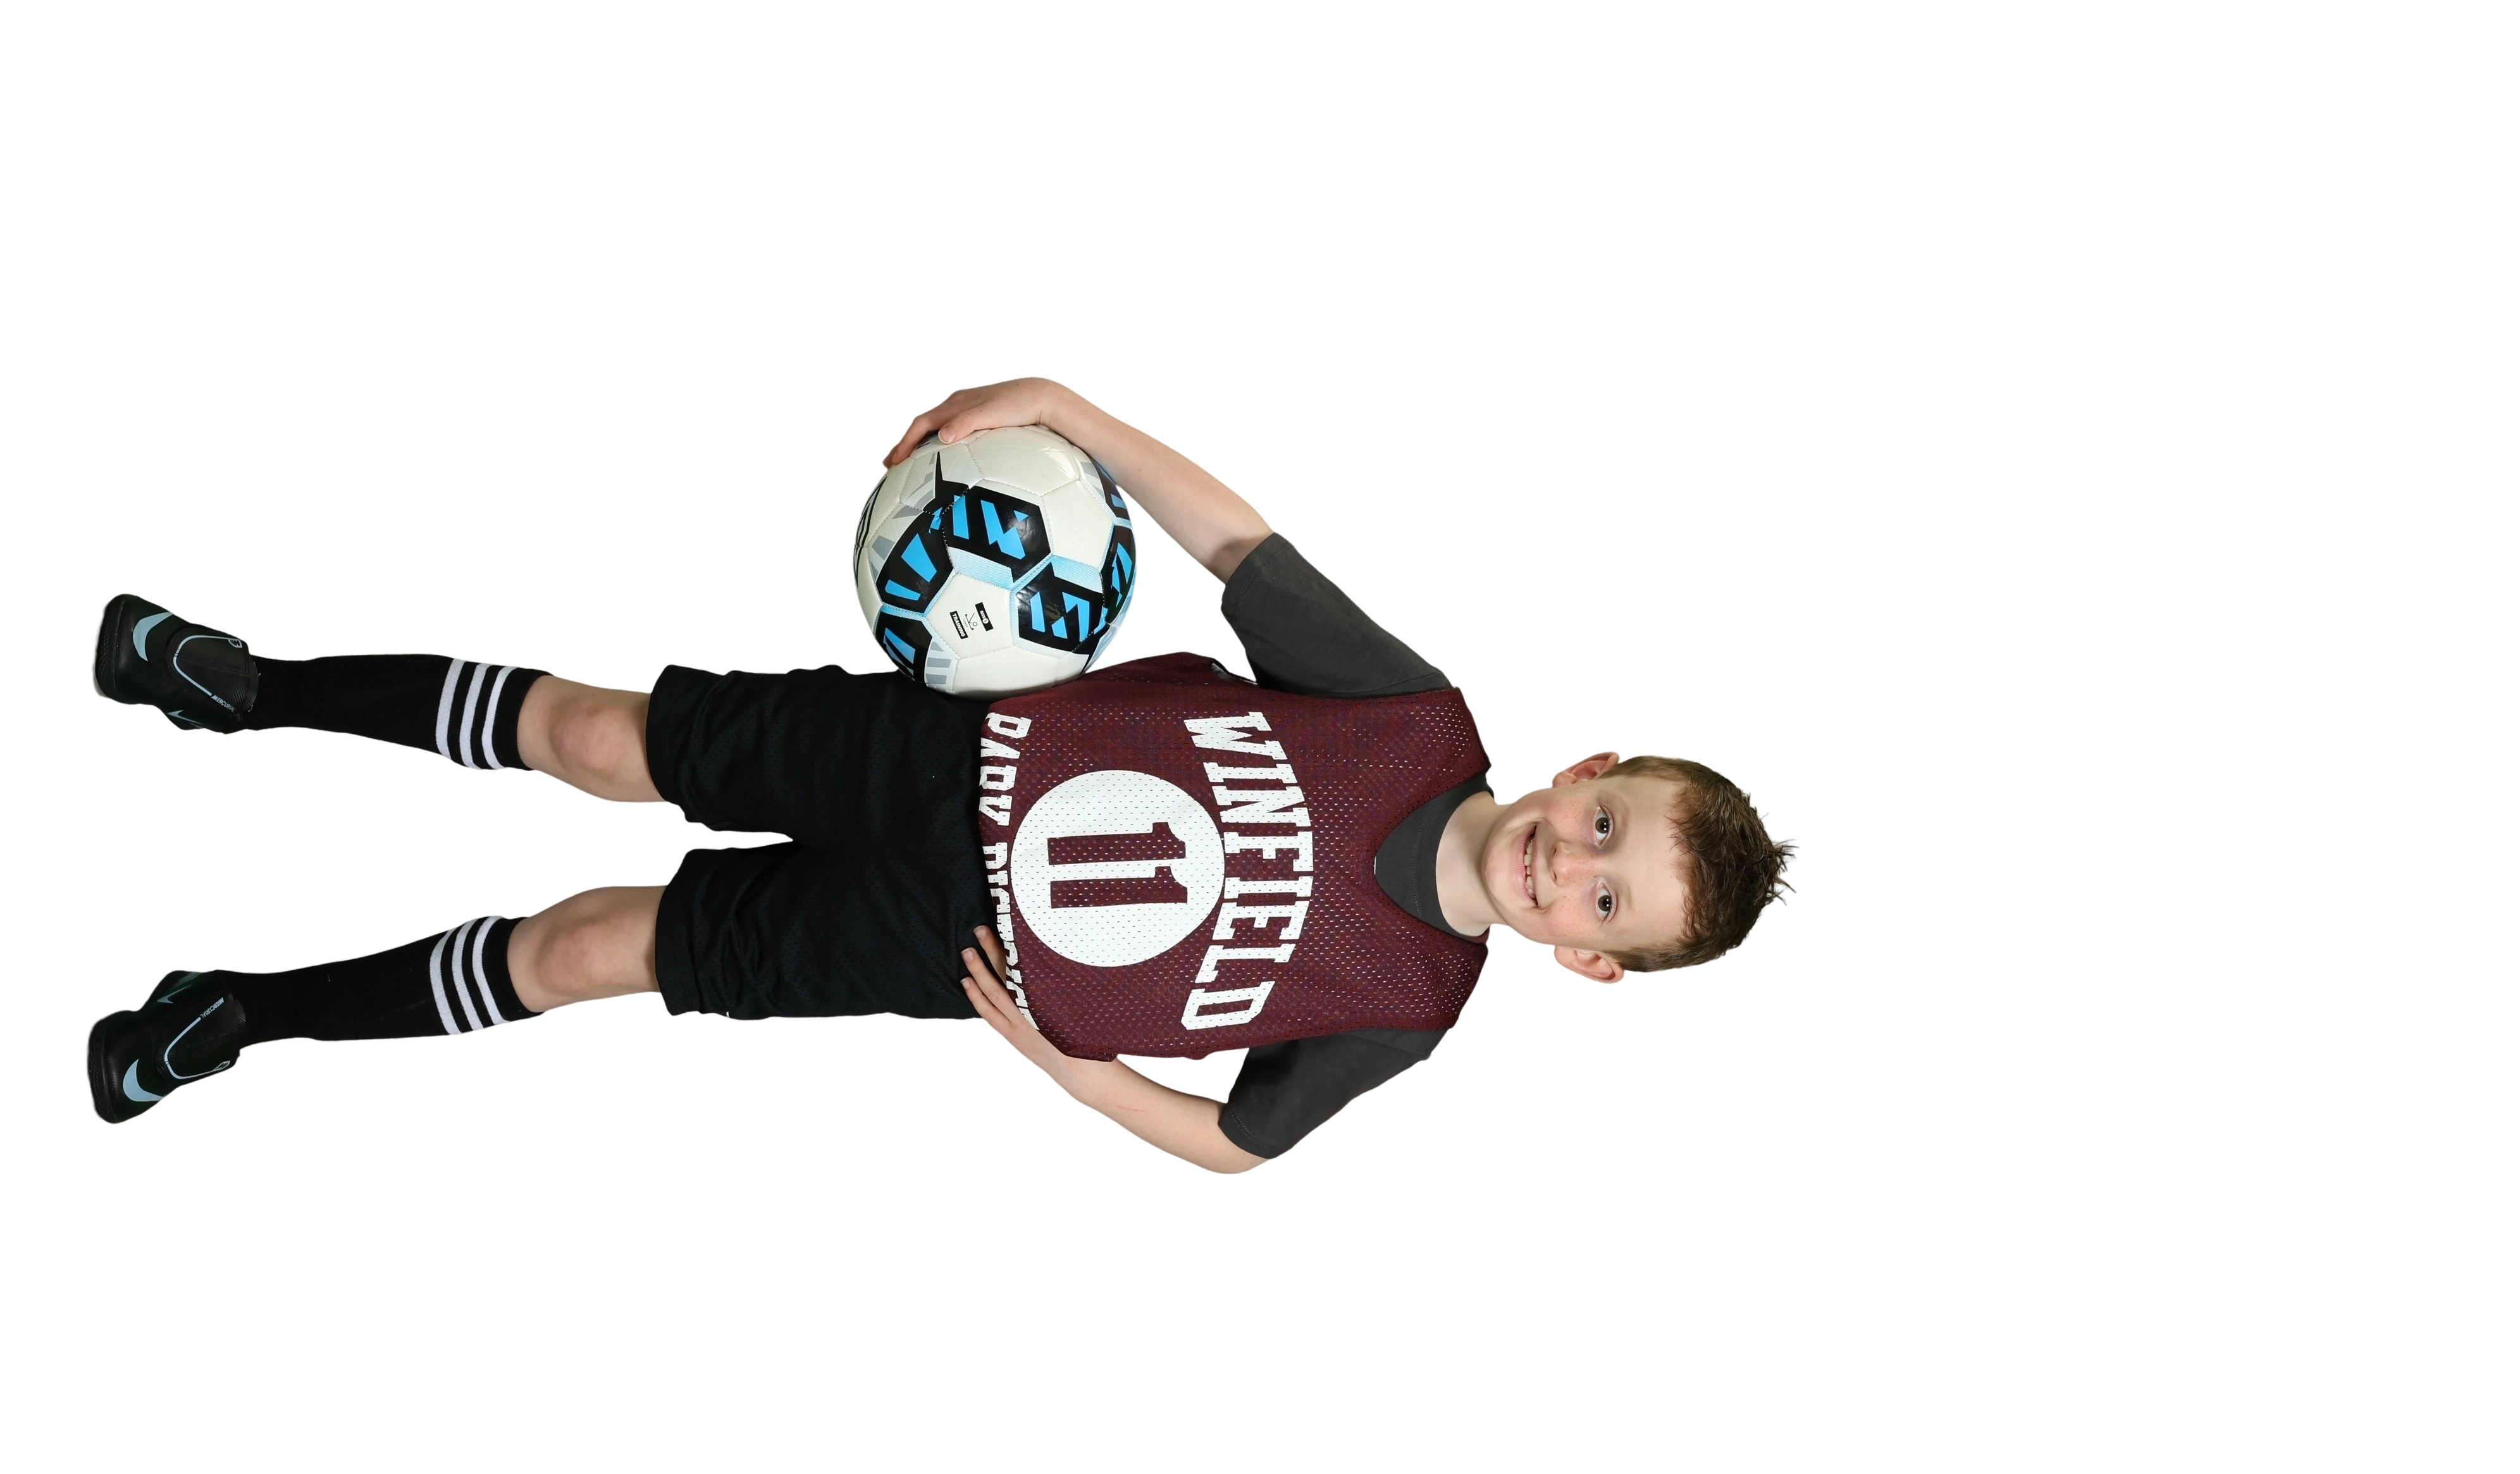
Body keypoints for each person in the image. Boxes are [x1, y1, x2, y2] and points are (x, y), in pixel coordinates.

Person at [80, 376, 1800, 1173]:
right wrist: (1074, 410)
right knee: (598, 739)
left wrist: (1069, 1065)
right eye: (1604, 826)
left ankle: (242, 1017)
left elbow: (1244, 1148)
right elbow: (1241, 547)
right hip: (936, 753)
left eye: (1603, 902)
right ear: (1587, 768)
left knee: (590, 950)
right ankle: (249, 690)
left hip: (936, 953)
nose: (1567, 866)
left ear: (1589, 963)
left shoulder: (1406, 1005)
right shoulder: (1410, 715)